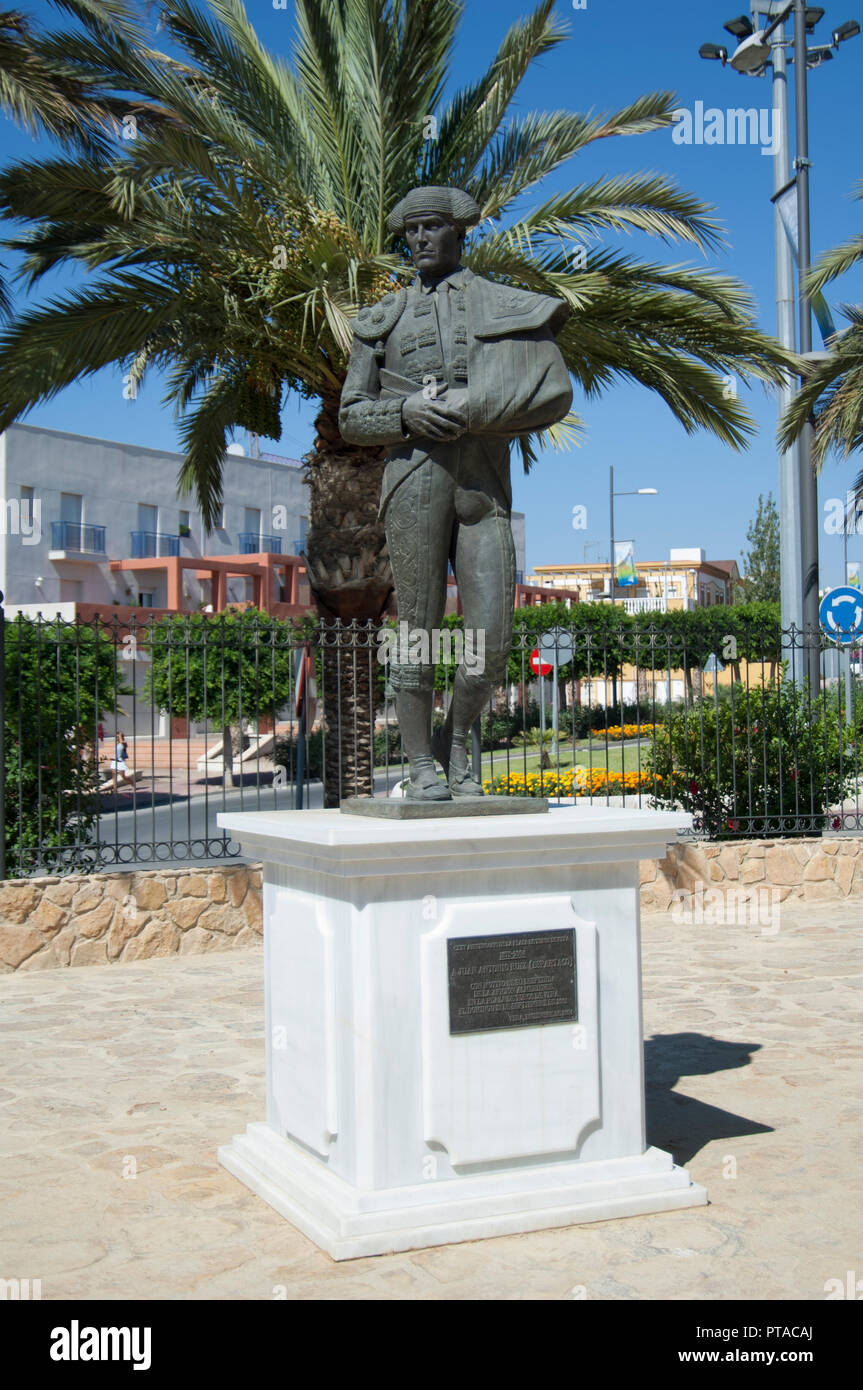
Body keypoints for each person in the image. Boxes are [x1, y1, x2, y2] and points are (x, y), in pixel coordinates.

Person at [339, 185, 571, 800]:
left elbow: (553, 389)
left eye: (431, 227)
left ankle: (459, 742)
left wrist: (478, 406)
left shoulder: (502, 303)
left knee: (491, 639)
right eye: (410, 230)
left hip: (482, 488)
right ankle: (421, 765)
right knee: (417, 628)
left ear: (457, 231)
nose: (418, 239)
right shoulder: (380, 321)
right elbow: (351, 417)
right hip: (415, 482)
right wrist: (407, 414)